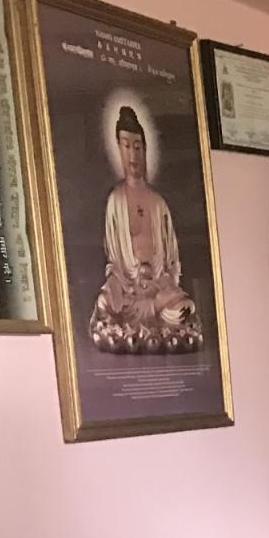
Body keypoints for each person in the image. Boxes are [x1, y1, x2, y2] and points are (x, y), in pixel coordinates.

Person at [88, 104, 202, 354]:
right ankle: (143, 322)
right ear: (118, 148)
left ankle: (150, 320)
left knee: (184, 308)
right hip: (128, 291)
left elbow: (172, 259)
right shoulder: (115, 201)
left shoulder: (158, 203)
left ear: (146, 149)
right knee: (105, 302)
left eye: (137, 146)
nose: (133, 154)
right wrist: (122, 281)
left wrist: (163, 283)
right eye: (126, 146)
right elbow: (113, 258)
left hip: (160, 288)